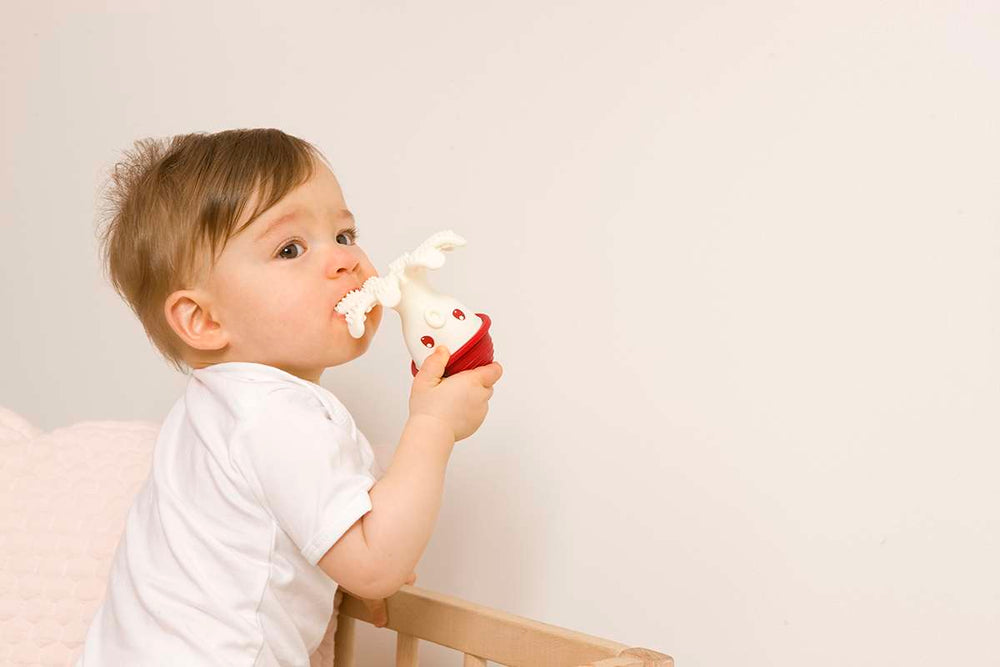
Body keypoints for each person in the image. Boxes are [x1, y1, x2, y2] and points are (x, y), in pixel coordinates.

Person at [75, 128, 503, 665]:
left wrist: (345, 565)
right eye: (290, 249)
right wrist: (434, 425)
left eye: (345, 235)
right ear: (204, 319)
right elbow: (377, 562)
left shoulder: (216, 410)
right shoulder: (274, 414)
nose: (346, 261)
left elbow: (268, 540)